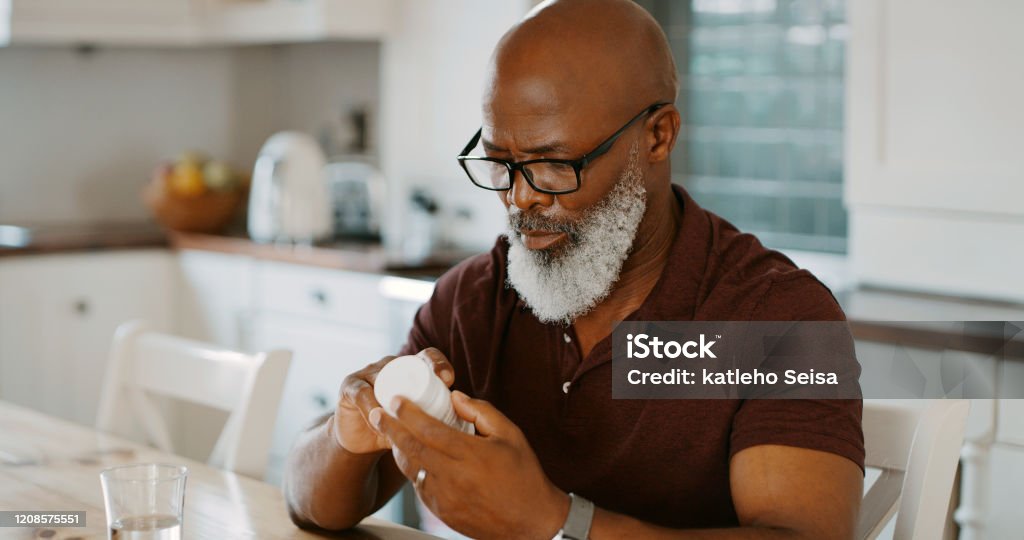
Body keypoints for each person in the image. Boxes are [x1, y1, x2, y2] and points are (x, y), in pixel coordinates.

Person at [284, 0, 864, 537]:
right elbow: (311, 504)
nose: (520, 199)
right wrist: (345, 434)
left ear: (658, 136)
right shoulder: (474, 303)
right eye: (500, 164)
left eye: (555, 165)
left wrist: (556, 524)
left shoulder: (776, 319)